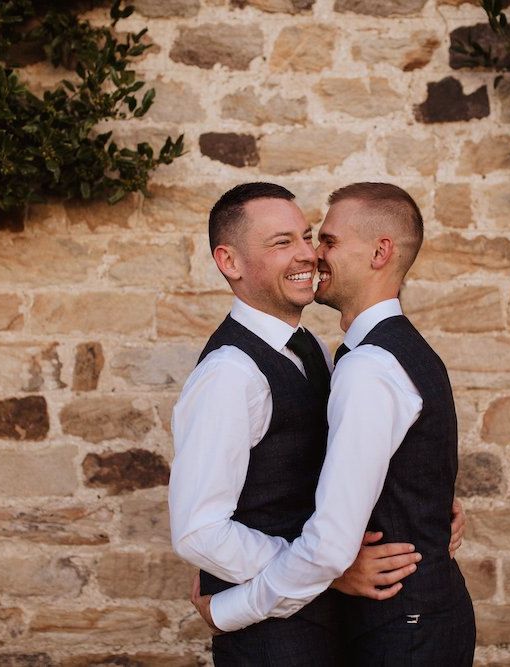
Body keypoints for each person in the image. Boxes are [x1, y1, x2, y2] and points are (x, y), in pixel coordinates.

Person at [192, 182, 476, 666]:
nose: (313, 254)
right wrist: (420, 507)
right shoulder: (371, 354)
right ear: (230, 262)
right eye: (293, 242)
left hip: (403, 628)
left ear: (380, 252)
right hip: (387, 623)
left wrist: (226, 609)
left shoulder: (361, 364)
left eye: (325, 240)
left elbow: (329, 546)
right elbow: (203, 526)